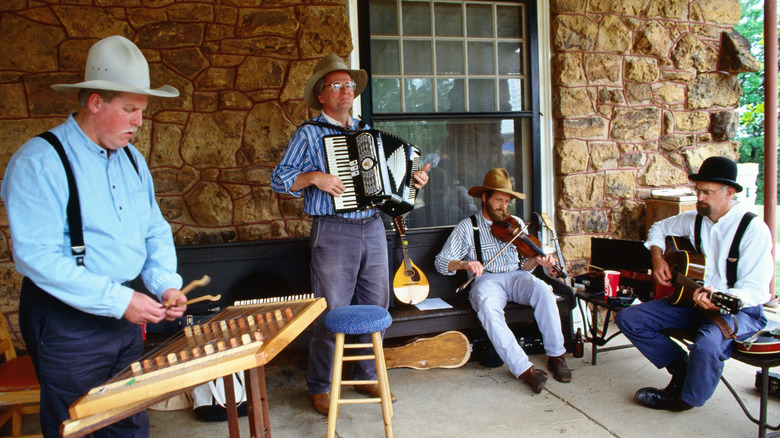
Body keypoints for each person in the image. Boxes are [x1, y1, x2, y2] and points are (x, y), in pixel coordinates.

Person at [1, 35, 187, 436]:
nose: (140, 120)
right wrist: (120, 300)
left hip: (126, 315)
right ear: (95, 102)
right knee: (79, 423)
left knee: (127, 421)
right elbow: (38, 257)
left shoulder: (133, 160)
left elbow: (154, 229)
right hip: (68, 322)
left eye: (142, 110)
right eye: (130, 109)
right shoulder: (40, 161)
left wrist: (164, 285)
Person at [270, 54, 430, 415]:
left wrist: (414, 181)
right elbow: (278, 178)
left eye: (349, 85)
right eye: (337, 85)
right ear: (321, 95)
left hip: (373, 227)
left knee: (377, 305)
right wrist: (314, 177)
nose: (346, 90)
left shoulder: (366, 132)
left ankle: (368, 373)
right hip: (333, 231)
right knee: (333, 311)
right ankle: (322, 385)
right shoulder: (309, 134)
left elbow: (389, 186)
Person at [615, 156, 774, 411]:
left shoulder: (752, 229)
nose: (699, 197)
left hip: (738, 310)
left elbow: (757, 290)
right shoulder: (696, 219)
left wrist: (720, 295)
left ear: (729, 192)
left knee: (708, 343)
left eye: (707, 192)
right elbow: (658, 228)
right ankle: (681, 369)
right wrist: (658, 259)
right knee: (629, 318)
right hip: (694, 303)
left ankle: (685, 400)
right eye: (698, 191)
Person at [434, 168, 572, 394]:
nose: (504, 207)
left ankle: (557, 356)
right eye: (499, 200)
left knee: (544, 290)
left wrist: (538, 261)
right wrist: (465, 264)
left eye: (507, 201)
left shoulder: (515, 222)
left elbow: (524, 265)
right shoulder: (468, 227)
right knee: (488, 307)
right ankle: (525, 369)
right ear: (485, 198)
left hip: (516, 276)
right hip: (486, 281)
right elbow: (442, 262)